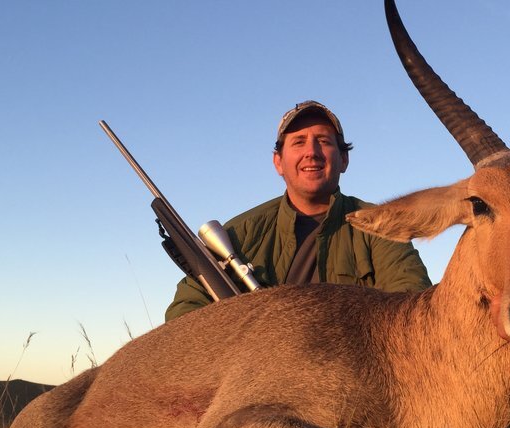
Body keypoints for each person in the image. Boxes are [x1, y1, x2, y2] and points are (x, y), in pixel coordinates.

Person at [166, 100, 431, 321]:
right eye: (298, 142)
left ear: (344, 159)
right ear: (278, 162)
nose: (312, 152)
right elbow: (183, 315)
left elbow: (413, 301)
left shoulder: (380, 225)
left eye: (324, 141)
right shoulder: (240, 232)